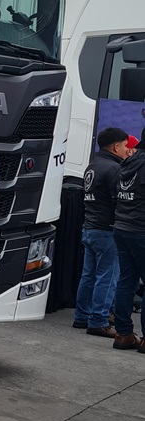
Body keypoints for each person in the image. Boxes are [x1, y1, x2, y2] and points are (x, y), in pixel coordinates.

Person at [73, 127, 129, 337]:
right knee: (107, 277)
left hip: (90, 227)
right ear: (116, 146)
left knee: (88, 275)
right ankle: (98, 321)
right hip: (107, 230)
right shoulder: (114, 168)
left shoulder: (93, 166)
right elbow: (119, 200)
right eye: (125, 146)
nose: (127, 150)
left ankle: (82, 316)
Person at [112, 126, 145, 352]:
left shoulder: (129, 162)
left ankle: (123, 334)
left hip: (122, 227)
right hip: (141, 229)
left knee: (126, 281)